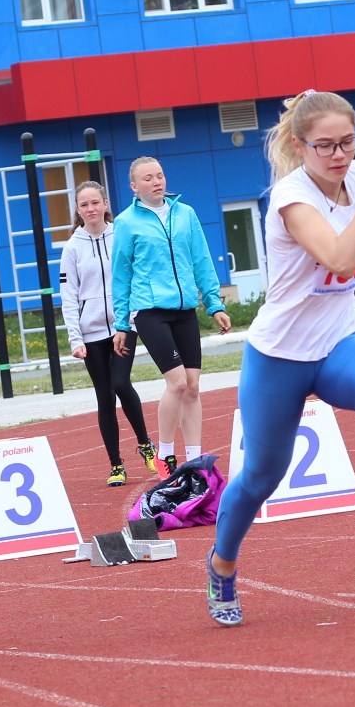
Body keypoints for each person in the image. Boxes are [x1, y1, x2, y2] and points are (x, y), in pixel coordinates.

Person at [204, 89, 355, 627]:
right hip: (280, 354)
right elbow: (335, 252)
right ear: (300, 146)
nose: (339, 155)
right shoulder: (290, 198)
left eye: (347, 143)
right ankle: (222, 563)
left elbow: (351, 232)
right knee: (263, 475)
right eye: (325, 146)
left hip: (338, 340)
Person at [111, 156, 232, 479]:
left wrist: (214, 303)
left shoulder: (186, 214)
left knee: (193, 386)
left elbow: (201, 260)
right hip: (149, 310)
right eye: (148, 178)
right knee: (176, 382)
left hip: (184, 310)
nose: (157, 181)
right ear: (134, 187)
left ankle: (194, 458)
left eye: (160, 175)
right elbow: (120, 274)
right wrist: (121, 323)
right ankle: (165, 452)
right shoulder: (126, 222)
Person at [60, 181, 157, 486]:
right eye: (84, 205)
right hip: (90, 333)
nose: (90, 209)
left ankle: (145, 443)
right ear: (78, 210)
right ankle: (116, 464)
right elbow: (69, 295)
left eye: (95, 203)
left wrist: (129, 319)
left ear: (105, 204)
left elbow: (135, 277)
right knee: (104, 396)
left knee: (120, 382)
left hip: (123, 326)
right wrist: (75, 338)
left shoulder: (121, 235)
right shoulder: (72, 247)